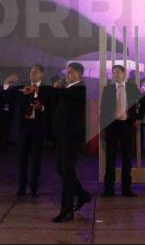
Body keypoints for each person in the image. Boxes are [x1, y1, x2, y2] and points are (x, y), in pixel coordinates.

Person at [40, 62, 90, 223]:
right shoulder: (67, 89)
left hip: (72, 137)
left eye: (71, 72)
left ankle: (67, 211)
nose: (67, 75)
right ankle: (82, 194)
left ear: (79, 75)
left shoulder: (80, 89)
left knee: (67, 171)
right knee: (62, 169)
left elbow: (55, 94)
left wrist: (50, 88)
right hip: (62, 136)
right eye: (67, 72)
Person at [99, 65, 145, 197]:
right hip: (112, 126)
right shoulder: (108, 89)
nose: (115, 75)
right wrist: (103, 128)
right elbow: (103, 110)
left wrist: (139, 118)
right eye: (113, 73)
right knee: (110, 158)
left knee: (127, 157)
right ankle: (109, 189)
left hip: (127, 125)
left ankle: (126, 189)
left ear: (124, 74)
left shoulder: (132, 88)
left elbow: (144, 102)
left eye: (118, 72)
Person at [15, 64, 48, 197]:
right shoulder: (23, 87)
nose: (32, 74)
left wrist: (41, 107)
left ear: (42, 75)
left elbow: (51, 107)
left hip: (38, 127)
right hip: (24, 126)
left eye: (36, 72)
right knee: (22, 159)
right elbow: (12, 98)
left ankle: (34, 188)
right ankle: (21, 187)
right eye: (31, 72)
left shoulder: (46, 89)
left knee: (36, 159)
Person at [0, 74, 19, 153]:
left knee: (6, 130)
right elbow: (2, 99)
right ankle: (1, 147)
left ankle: (3, 146)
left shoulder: (11, 89)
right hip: (4, 112)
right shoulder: (6, 89)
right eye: (15, 80)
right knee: (4, 130)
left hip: (8, 112)